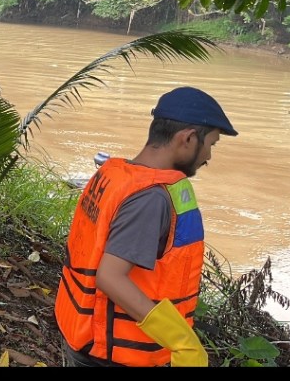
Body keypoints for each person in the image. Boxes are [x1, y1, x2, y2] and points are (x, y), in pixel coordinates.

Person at [55, 86, 238, 367]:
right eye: (210, 145)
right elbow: (110, 277)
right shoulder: (151, 198)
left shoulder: (114, 175)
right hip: (112, 353)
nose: (208, 158)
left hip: (85, 336)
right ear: (188, 138)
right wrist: (181, 341)